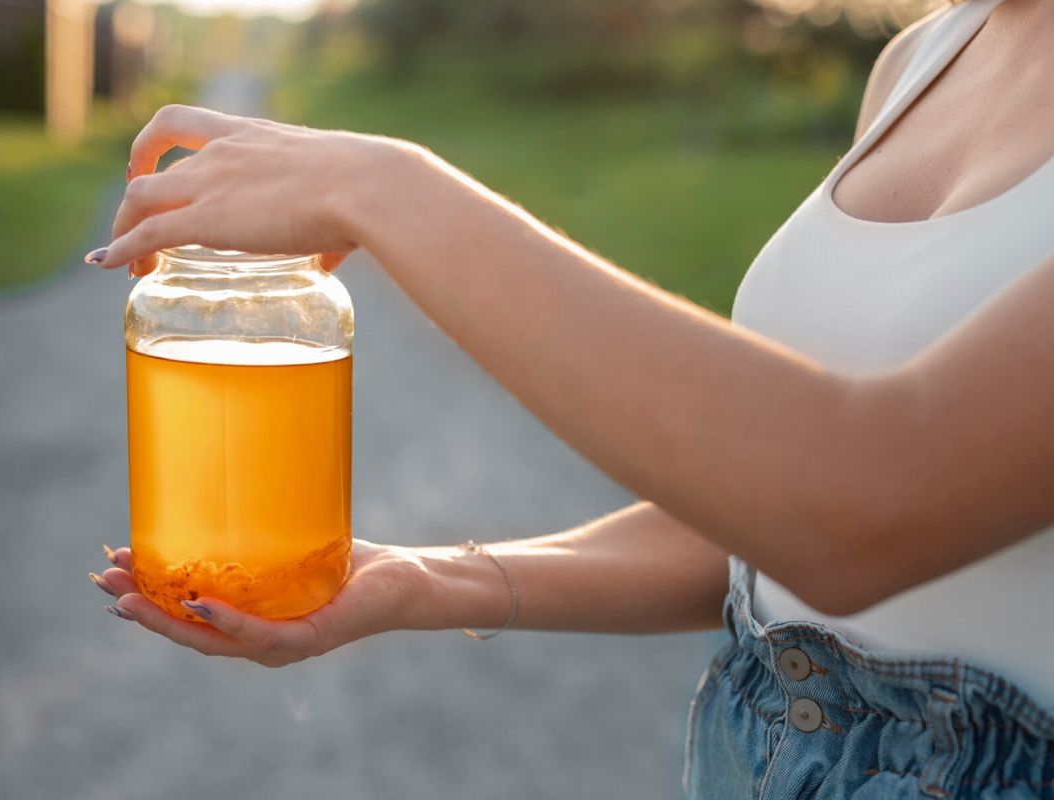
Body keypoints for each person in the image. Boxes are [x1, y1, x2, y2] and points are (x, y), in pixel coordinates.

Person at [85, 0, 1054, 795]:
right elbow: (768, 514)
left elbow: (867, 509)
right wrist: (422, 581)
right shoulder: (929, 56)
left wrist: (386, 187)